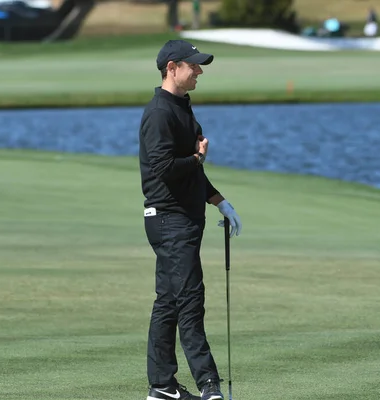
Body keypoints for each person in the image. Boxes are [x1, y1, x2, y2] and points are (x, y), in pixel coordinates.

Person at [138, 39, 242, 400]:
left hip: (181, 218)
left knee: (168, 301)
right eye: (193, 65)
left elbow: (190, 170)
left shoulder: (182, 107)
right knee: (190, 299)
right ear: (172, 68)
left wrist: (219, 201)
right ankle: (209, 387)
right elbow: (165, 168)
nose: (199, 71)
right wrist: (198, 160)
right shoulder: (159, 113)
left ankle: (162, 386)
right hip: (169, 219)